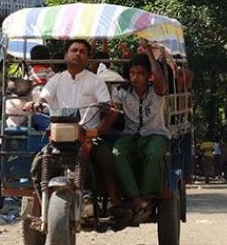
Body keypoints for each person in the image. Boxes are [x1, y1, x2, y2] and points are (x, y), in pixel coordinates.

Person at [26, 40, 123, 219]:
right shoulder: (56, 80)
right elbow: (43, 99)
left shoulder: (96, 82)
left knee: (106, 158)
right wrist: (36, 104)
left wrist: (101, 124)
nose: (78, 54)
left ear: (87, 57)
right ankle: (40, 204)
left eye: (82, 51)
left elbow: (108, 106)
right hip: (59, 136)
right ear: (66, 55)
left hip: (87, 136)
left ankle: (113, 198)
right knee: (37, 165)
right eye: (74, 50)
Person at [112, 44, 168, 222]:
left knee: (154, 152)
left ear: (149, 76)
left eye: (140, 73)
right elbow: (114, 113)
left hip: (155, 134)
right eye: (132, 73)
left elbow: (160, 79)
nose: (135, 77)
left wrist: (150, 54)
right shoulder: (121, 91)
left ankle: (146, 195)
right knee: (116, 153)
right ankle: (136, 198)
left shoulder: (157, 90)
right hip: (129, 136)